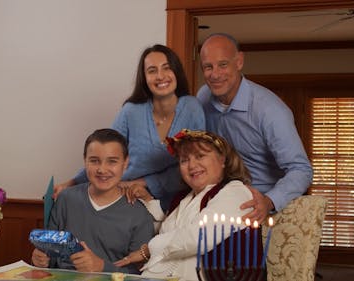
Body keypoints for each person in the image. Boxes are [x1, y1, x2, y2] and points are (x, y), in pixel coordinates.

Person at [55, 44, 206, 211]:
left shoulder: (193, 108)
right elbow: (106, 152)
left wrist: (141, 183)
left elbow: (196, 162)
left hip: (174, 204)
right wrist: (72, 182)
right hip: (123, 196)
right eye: (152, 70)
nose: (160, 76)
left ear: (176, 72)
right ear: (144, 77)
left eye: (166, 68)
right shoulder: (131, 111)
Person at [197, 33, 313, 223]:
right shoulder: (202, 98)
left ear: (239, 61)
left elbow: (301, 169)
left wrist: (268, 201)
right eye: (208, 67)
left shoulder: (271, 111)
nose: (215, 74)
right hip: (218, 200)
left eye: (223, 65)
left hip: (258, 205)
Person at [115, 129, 257, 281]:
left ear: (223, 160)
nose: (192, 165)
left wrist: (147, 250)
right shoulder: (184, 197)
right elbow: (170, 232)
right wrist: (148, 201)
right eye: (184, 160)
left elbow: (197, 238)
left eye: (200, 156)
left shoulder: (235, 192)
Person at [31, 128, 154, 274]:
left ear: (125, 162)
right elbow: (49, 254)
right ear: (85, 161)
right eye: (94, 161)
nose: (102, 169)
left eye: (112, 161)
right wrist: (39, 259)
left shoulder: (139, 214)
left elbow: (140, 274)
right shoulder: (65, 199)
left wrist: (102, 267)